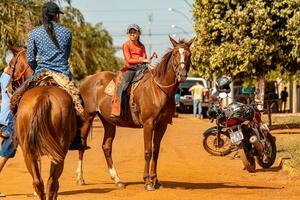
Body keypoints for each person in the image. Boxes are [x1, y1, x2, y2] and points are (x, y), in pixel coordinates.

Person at [2, 1, 85, 150]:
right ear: (57, 16)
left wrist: (35, 68)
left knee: (15, 99)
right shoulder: (67, 32)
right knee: (78, 102)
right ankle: (76, 138)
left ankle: (14, 132)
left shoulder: (35, 33)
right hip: (62, 74)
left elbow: (30, 59)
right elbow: (66, 55)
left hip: (41, 73)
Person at [112, 24, 150, 116]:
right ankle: (117, 108)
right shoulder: (126, 45)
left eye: (134, 32)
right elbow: (129, 60)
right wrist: (141, 60)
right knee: (124, 85)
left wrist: (146, 61)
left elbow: (145, 58)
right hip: (130, 69)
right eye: (130, 32)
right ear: (128, 34)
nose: (132, 34)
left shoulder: (142, 46)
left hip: (141, 68)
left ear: (139, 33)